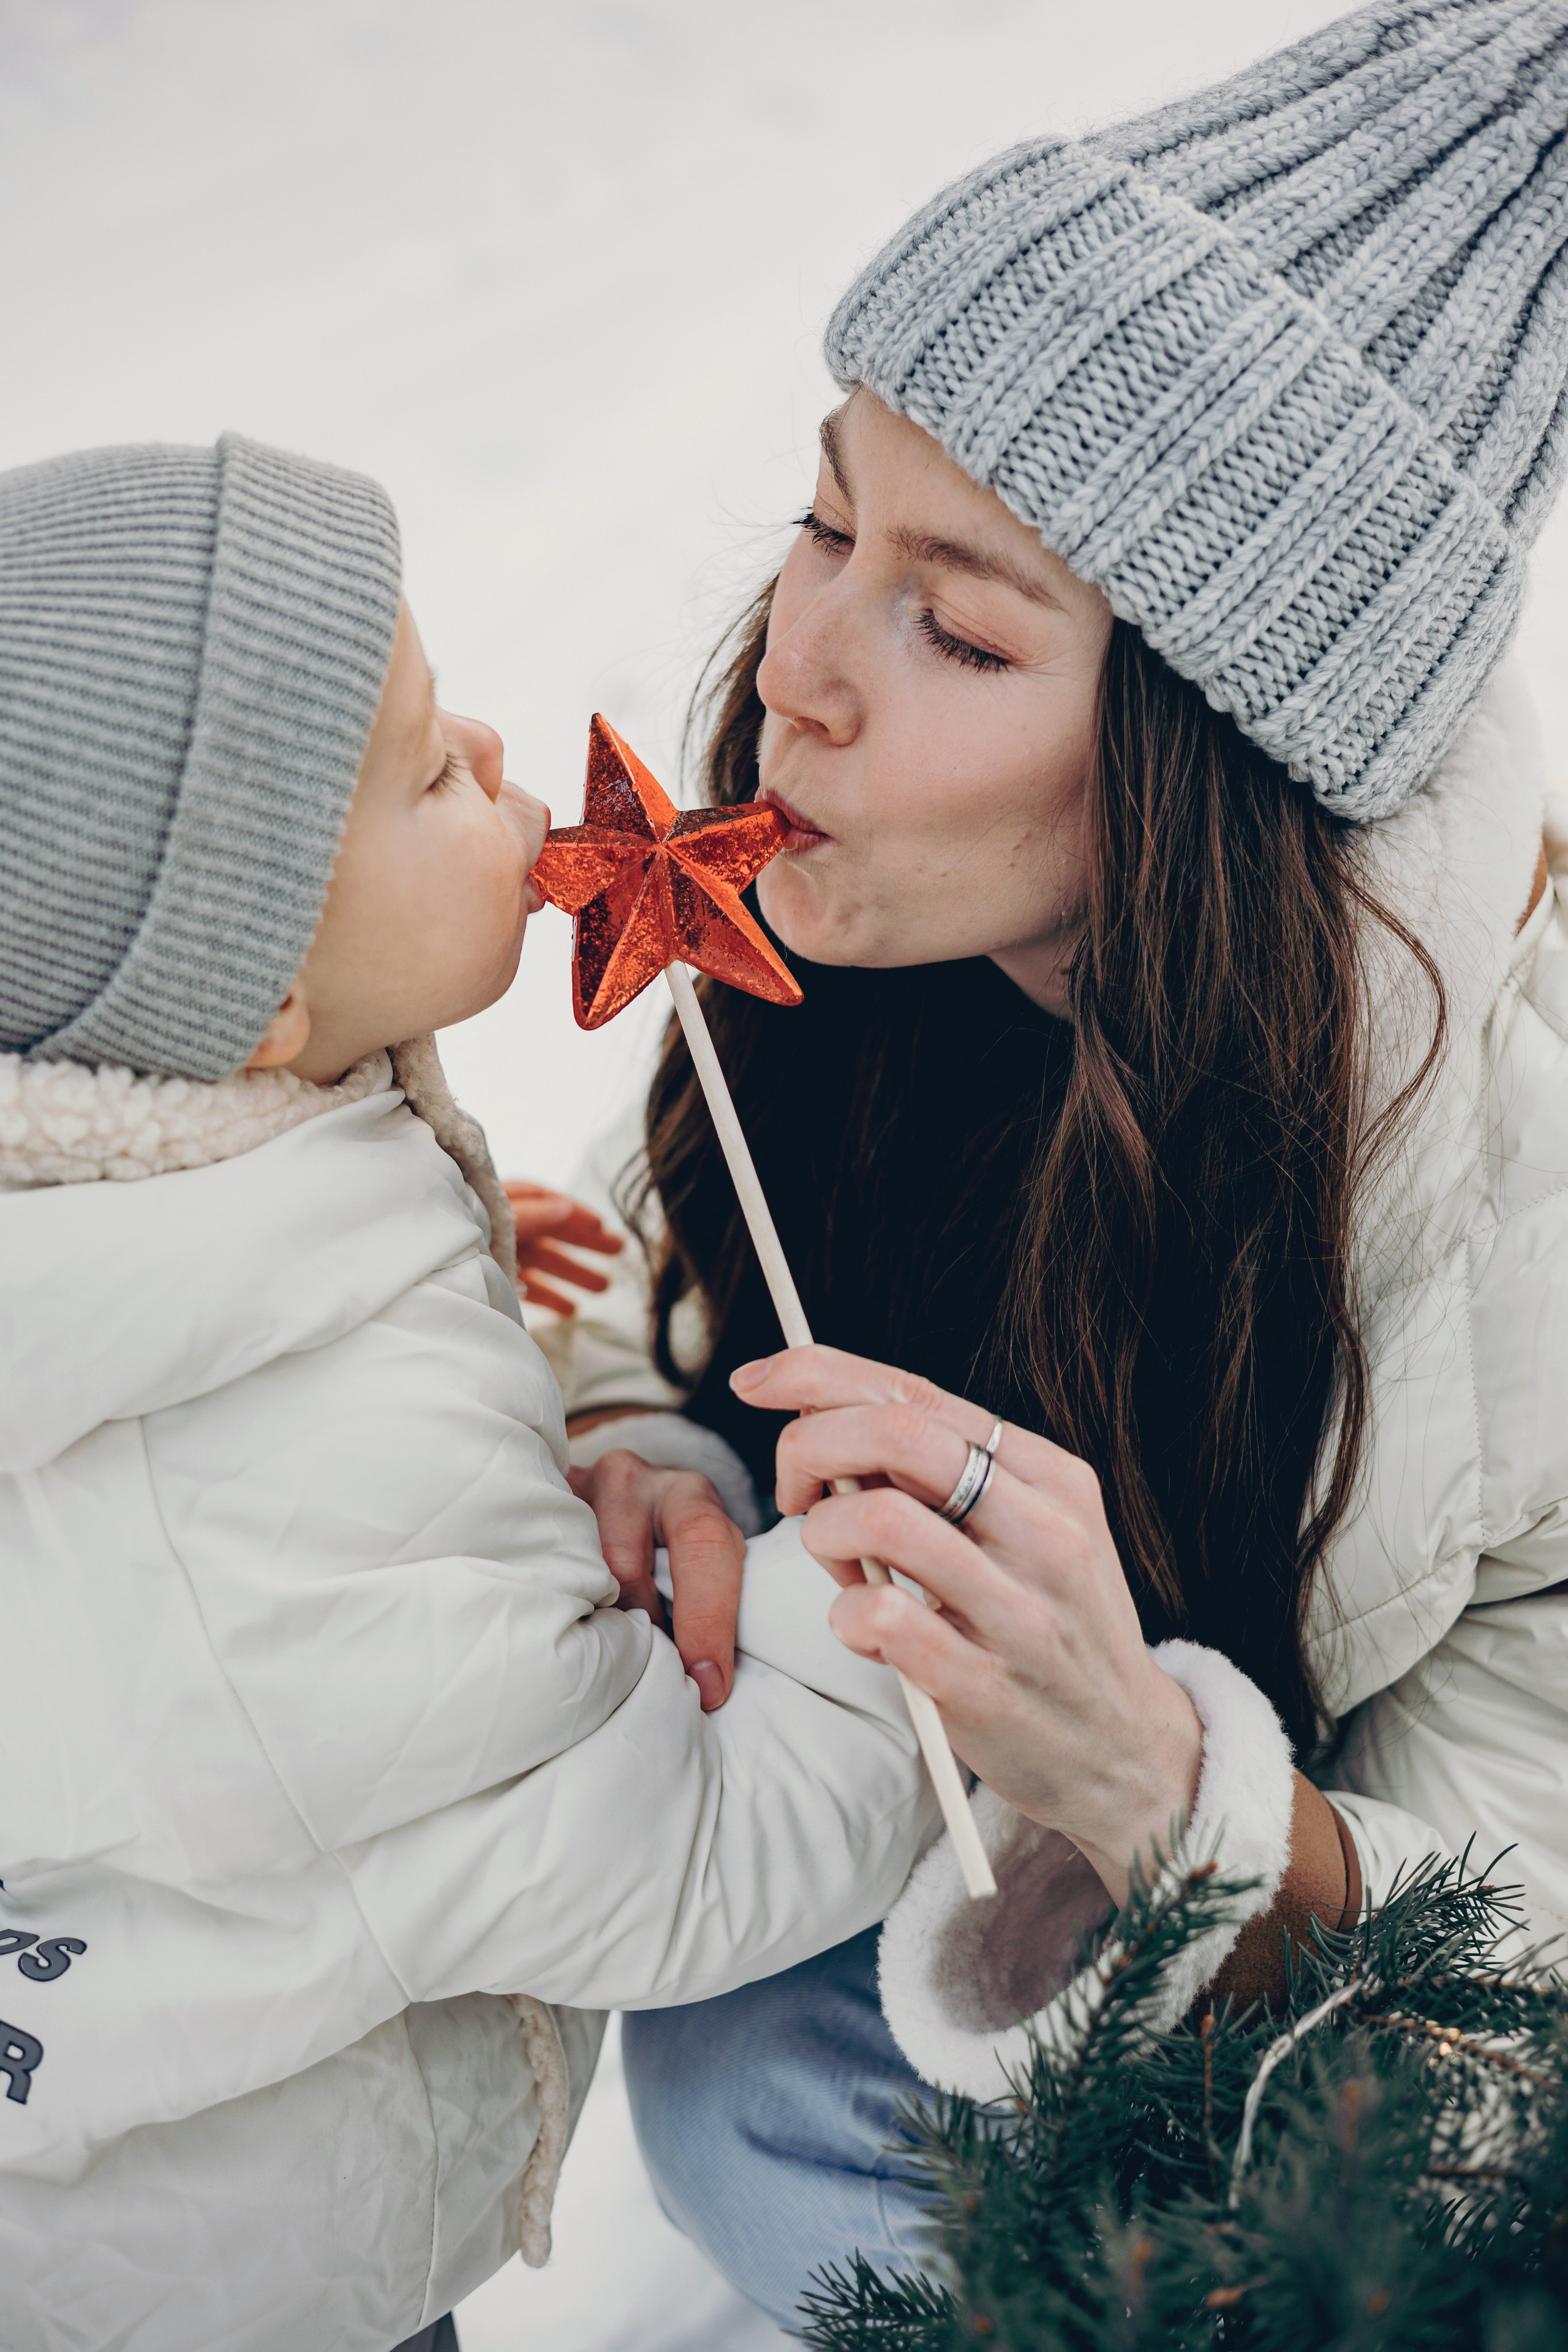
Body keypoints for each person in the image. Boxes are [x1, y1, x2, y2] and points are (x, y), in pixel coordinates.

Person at [537, 0, 1568, 2324]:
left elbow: (1524, 2055)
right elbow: (627, 1258)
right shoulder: (834, 952)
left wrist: (1156, 1781)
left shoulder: (1523, 1255)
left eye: (960, 627)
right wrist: (647, 1443)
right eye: (827, 521)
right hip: (913, 1997)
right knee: (741, 2063)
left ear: (1207, 760)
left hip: (1317, 2148)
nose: (799, 668)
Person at [0, 434, 943, 2352]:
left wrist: (413, 1254)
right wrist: (890, 1613)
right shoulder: (303, 1462)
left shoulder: (145, 1259)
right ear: (255, 1005)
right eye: (431, 772)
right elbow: (666, 1851)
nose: (501, 755)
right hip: (233, 2290)